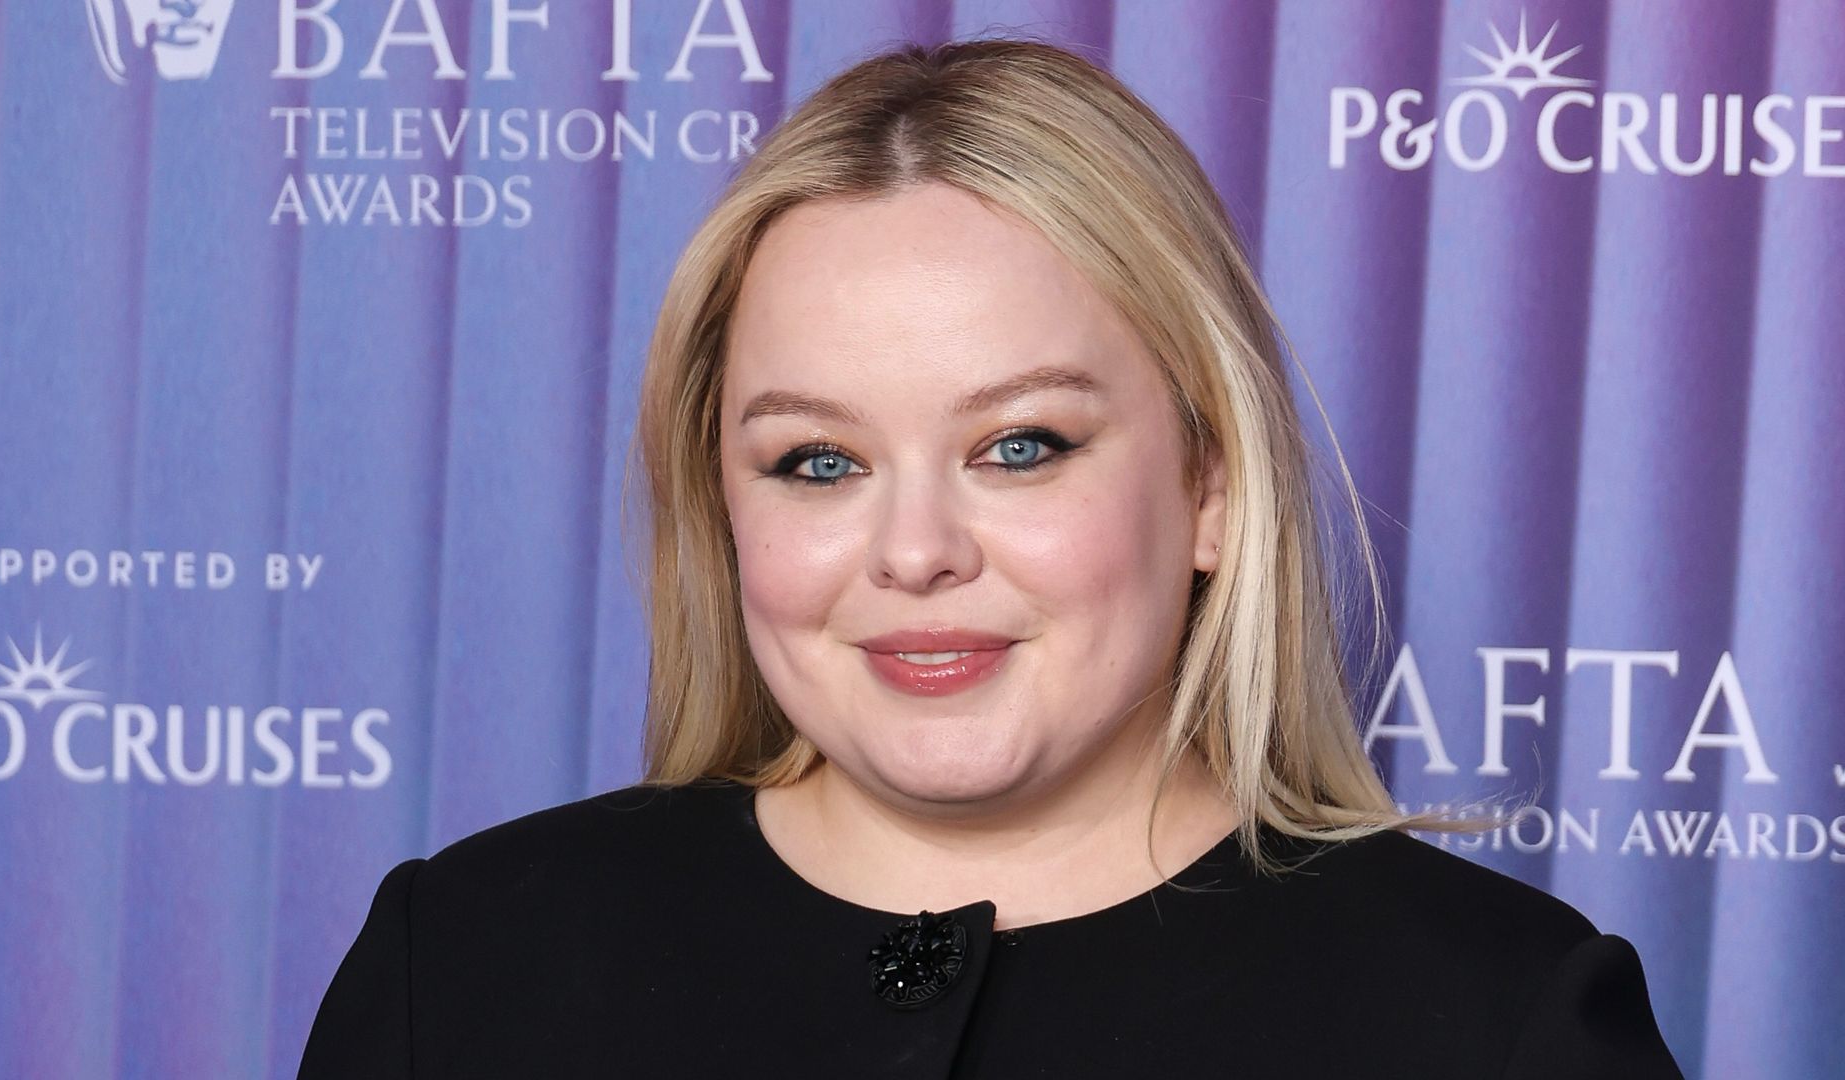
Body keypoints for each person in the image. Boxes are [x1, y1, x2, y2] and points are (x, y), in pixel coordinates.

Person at [297, 37, 1684, 1078]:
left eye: (1019, 446)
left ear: (1210, 482)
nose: (913, 553)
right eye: (817, 463)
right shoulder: (465, 967)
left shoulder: (1504, 1022)